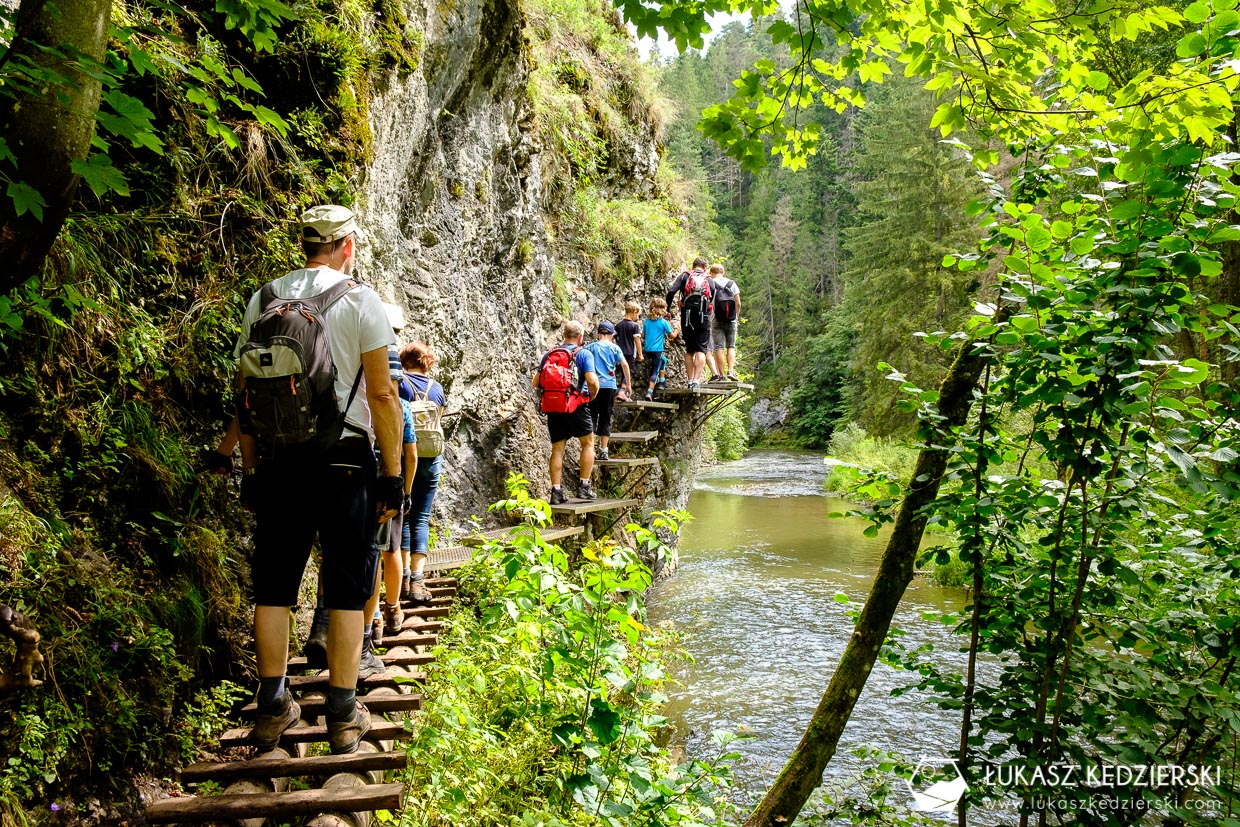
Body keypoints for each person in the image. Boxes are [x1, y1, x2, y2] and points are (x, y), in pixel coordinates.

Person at [235, 204, 403, 756]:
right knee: (350, 591)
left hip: (280, 462)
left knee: (274, 587)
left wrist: (251, 470)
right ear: (348, 245)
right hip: (345, 464)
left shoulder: (263, 299)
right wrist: (393, 475)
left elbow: (249, 394)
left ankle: (273, 707)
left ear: (305, 243)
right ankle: (340, 713)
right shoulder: (361, 300)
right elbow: (382, 395)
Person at [400, 341, 447, 604]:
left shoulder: (399, 383)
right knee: (421, 517)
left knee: (404, 515)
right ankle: (418, 580)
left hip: (404, 456)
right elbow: (438, 418)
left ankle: (404, 576)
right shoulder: (436, 388)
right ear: (427, 362)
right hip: (430, 458)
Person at [533, 320, 600, 503]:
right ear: (580, 337)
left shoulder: (550, 354)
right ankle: (584, 487)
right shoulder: (583, 354)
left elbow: (536, 382)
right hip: (577, 405)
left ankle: (556, 492)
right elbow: (592, 380)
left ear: (564, 335)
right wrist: (593, 395)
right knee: (587, 444)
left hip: (554, 406)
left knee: (557, 448)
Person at [585, 321, 631, 462]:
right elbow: (624, 365)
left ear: (598, 334)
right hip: (609, 387)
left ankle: (590, 449)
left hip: (593, 386)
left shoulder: (590, 347)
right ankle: (604, 450)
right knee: (606, 417)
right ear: (612, 335)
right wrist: (628, 385)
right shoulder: (615, 348)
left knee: (592, 416)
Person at [666, 256, 714, 390]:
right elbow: (712, 296)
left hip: (687, 317)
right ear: (705, 268)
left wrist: (668, 309)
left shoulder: (684, 276)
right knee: (701, 350)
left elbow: (671, 292)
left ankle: (689, 380)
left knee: (690, 350)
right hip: (703, 317)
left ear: (693, 266)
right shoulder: (708, 279)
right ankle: (696, 381)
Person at [709, 264, 741, 381]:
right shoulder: (731, 283)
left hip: (716, 319)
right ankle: (731, 371)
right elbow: (738, 303)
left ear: (712, 273)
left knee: (718, 347)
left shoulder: (711, 283)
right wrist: (736, 317)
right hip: (731, 319)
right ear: (723, 272)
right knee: (731, 346)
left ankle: (721, 376)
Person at [641, 298, 676, 401]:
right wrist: (677, 330)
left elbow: (642, 335)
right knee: (654, 371)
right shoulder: (663, 322)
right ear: (661, 309)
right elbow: (672, 336)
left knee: (664, 360)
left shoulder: (647, 322)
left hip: (647, 350)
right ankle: (649, 392)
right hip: (657, 350)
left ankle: (662, 381)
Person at [614, 302, 643, 384]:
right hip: (630, 353)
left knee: (623, 371)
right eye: (638, 314)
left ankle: (623, 393)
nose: (637, 317)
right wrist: (640, 354)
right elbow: (637, 340)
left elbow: (614, 336)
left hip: (620, 353)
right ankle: (623, 391)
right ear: (634, 312)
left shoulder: (618, 325)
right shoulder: (634, 326)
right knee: (628, 372)